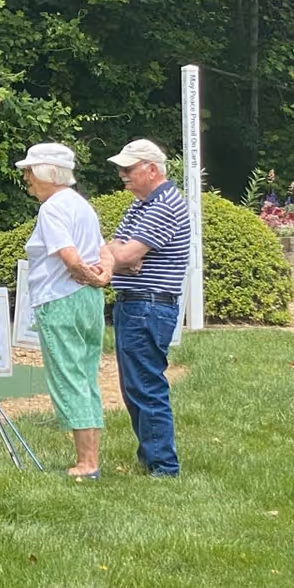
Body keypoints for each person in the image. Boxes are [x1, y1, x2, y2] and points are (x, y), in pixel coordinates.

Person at [16, 142, 109, 480]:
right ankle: (91, 457)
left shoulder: (52, 208)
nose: (26, 178)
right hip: (88, 302)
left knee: (68, 378)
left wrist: (86, 274)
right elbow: (102, 250)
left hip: (60, 301)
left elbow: (68, 256)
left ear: (48, 173)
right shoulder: (82, 206)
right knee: (85, 376)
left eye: (30, 171)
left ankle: (87, 464)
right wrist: (100, 279)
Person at [100, 138, 191, 477]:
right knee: (134, 385)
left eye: (128, 168)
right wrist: (122, 255)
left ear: (151, 169)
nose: (122, 174)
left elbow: (122, 255)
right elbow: (115, 250)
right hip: (136, 305)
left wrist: (124, 255)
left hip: (148, 306)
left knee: (146, 386)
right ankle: (151, 458)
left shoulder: (164, 205)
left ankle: (164, 467)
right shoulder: (142, 204)